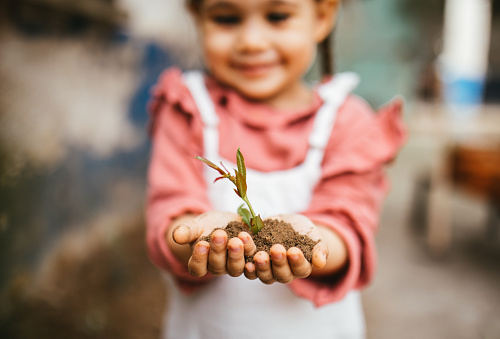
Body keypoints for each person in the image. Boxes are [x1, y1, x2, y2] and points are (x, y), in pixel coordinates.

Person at [145, 0, 406, 338]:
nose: (251, 42)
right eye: (226, 18)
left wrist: (308, 245)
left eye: (278, 16)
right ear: (197, 17)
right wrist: (203, 239)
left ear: (323, 17)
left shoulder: (347, 122)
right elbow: (169, 219)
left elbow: (348, 226)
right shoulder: (186, 108)